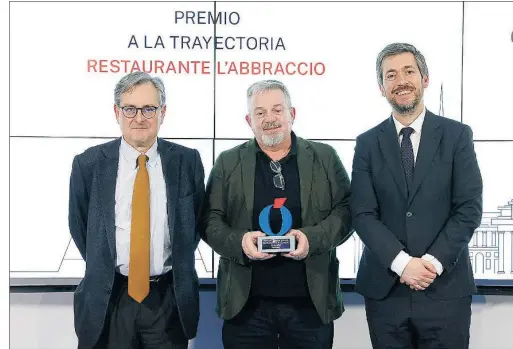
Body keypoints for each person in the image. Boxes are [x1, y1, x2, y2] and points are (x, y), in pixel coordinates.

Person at [200, 79, 353, 349]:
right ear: (249, 120)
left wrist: (312, 239)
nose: (269, 119)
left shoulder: (325, 157)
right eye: (260, 113)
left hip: (311, 306)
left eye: (277, 110)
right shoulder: (228, 161)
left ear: (292, 114)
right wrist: (240, 243)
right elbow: (209, 220)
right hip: (245, 307)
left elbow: (348, 211)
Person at [351, 42, 483, 349]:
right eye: (391, 75)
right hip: (386, 291)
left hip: (445, 289)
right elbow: (362, 213)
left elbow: (469, 208)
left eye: (409, 71)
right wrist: (401, 264)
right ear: (381, 87)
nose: (401, 81)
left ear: (424, 78)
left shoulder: (457, 136)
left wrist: (431, 264)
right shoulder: (367, 143)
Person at [68, 71, 205, 349]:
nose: (139, 118)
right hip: (110, 298)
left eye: (149, 109)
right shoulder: (89, 164)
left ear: (163, 112)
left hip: (167, 300)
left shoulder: (187, 161)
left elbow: (195, 224)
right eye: (130, 108)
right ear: (116, 112)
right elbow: (80, 227)